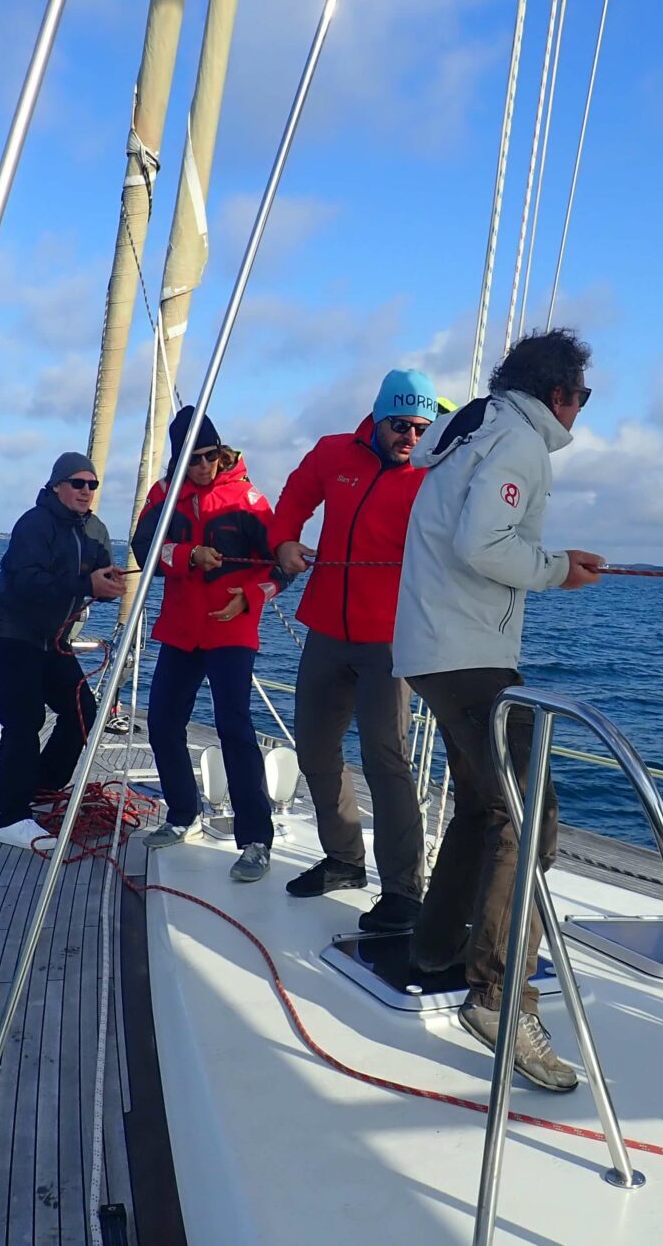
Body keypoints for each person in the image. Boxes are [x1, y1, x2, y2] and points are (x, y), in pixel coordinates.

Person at [392, 329, 604, 1093]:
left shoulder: (472, 429)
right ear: (559, 396)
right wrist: (555, 571)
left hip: (432, 645)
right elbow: (484, 543)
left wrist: (549, 566)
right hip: (467, 649)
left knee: (486, 810)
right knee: (528, 818)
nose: (581, 410)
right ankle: (498, 999)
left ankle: (438, 947)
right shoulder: (519, 443)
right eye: (582, 397)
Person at [270, 369, 437, 933]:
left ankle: (404, 892)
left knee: (385, 761)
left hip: (391, 642)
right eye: (400, 425)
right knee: (315, 749)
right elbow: (294, 496)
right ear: (377, 418)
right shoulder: (334, 453)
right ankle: (343, 860)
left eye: (421, 427)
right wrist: (285, 540)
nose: (410, 437)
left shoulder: (435, 476)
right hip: (326, 628)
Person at [133, 408, 282, 882]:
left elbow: (283, 565)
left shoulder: (250, 500)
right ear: (178, 461)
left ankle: (256, 839)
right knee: (161, 721)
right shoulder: (164, 497)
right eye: (193, 459)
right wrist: (186, 555)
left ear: (222, 453)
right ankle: (182, 814)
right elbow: (144, 550)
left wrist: (251, 597)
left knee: (233, 726)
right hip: (180, 628)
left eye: (210, 456)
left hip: (231, 629)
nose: (203, 466)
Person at [0, 452, 124, 851]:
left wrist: (108, 585)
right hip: (11, 632)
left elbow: (97, 580)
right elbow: (27, 582)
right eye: (78, 483)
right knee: (24, 720)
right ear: (57, 485)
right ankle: (11, 817)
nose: (86, 491)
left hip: (51, 639)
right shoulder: (34, 524)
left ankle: (40, 785)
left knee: (82, 711)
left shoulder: (95, 529)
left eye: (92, 485)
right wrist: (85, 583)